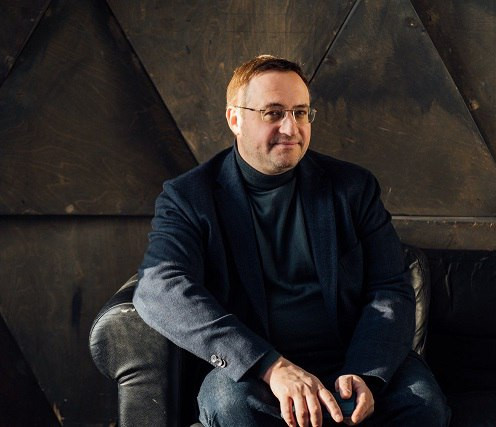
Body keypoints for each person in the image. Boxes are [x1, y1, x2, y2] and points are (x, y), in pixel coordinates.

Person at [133, 55, 448, 427]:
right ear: (235, 119)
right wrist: (270, 366)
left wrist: (366, 371)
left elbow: (390, 287)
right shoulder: (189, 197)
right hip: (257, 367)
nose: (291, 127)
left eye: (300, 112)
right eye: (273, 113)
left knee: (424, 405)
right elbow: (159, 287)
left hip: (350, 357)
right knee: (230, 405)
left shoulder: (353, 187)